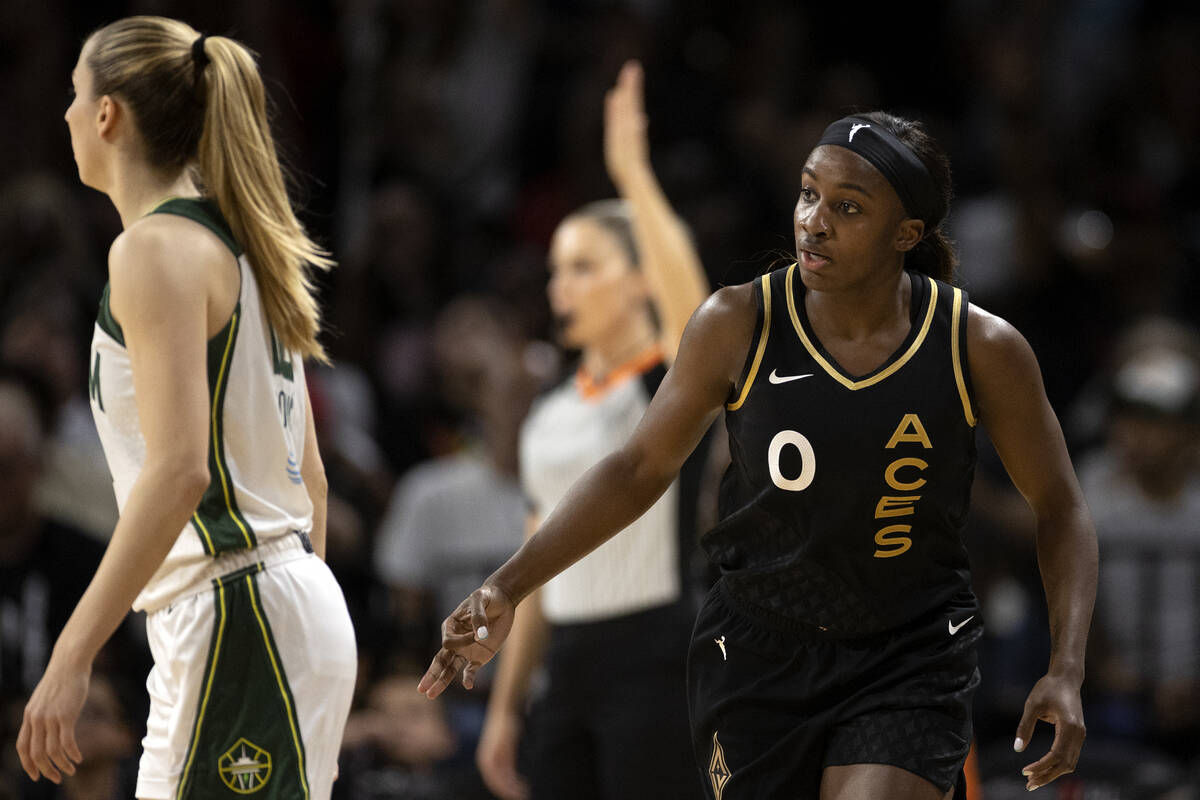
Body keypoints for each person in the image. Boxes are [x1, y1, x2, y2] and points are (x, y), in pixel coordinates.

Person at [420, 111, 1098, 799]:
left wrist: (1066, 667)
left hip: (907, 652)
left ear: (907, 234)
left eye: (848, 208)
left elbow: (1062, 507)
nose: (814, 221)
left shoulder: (979, 347)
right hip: (757, 653)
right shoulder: (736, 321)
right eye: (809, 194)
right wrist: (505, 585)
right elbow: (636, 469)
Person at [17, 16, 357, 800]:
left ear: (108, 114)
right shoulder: (245, 244)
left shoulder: (153, 249)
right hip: (270, 604)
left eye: (75, 94)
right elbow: (313, 478)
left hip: (239, 609)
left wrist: (71, 656)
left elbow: (177, 473)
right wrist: (301, 621)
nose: (66, 114)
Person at [473, 62, 712, 800]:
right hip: (565, 666)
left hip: (657, 654)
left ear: (640, 278)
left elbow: (698, 318)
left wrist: (633, 177)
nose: (559, 288)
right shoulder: (550, 409)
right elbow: (540, 562)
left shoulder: (662, 386)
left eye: (583, 267)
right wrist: (506, 708)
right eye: (555, 271)